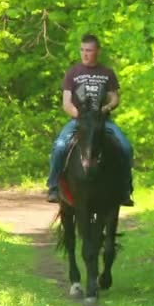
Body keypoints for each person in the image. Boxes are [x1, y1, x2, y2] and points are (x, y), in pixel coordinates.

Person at [46, 34, 134, 206]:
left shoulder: (107, 73)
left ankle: (125, 189)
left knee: (125, 147)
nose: (85, 54)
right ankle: (54, 186)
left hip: (103, 121)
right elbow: (66, 102)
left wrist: (105, 109)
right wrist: (78, 114)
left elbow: (114, 98)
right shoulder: (73, 73)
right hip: (79, 121)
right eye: (83, 50)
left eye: (89, 50)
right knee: (60, 146)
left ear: (97, 52)